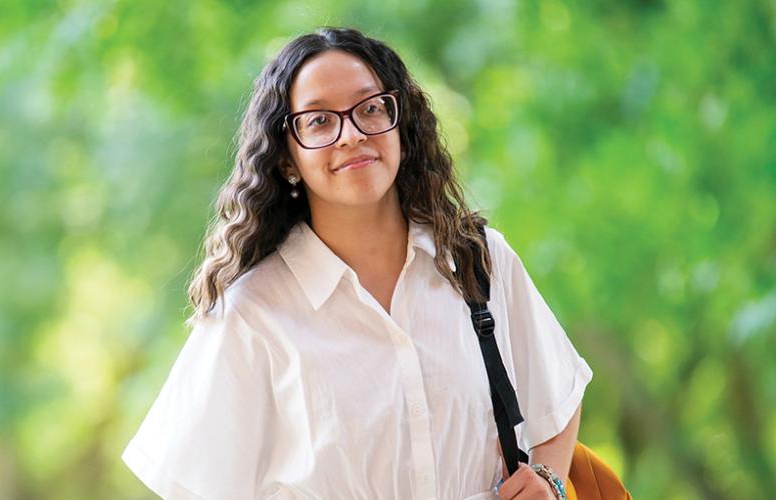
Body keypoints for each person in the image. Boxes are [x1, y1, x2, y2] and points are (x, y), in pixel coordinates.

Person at [122, 27, 593, 500]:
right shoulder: (252, 314)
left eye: (370, 109)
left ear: (399, 127)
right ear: (288, 160)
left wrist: (549, 482)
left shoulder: (477, 261)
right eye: (320, 121)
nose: (350, 135)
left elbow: (558, 395)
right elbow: (192, 485)